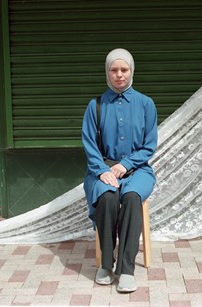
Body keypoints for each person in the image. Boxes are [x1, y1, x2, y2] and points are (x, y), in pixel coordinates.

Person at [82, 48, 158, 292]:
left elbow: (149, 146)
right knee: (107, 197)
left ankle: (126, 269)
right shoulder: (96, 106)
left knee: (132, 198)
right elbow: (89, 144)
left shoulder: (146, 104)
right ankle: (106, 264)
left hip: (138, 171)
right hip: (102, 169)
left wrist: (125, 164)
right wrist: (101, 170)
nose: (119, 75)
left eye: (124, 70)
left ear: (131, 71)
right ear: (107, 72)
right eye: (114, 70)